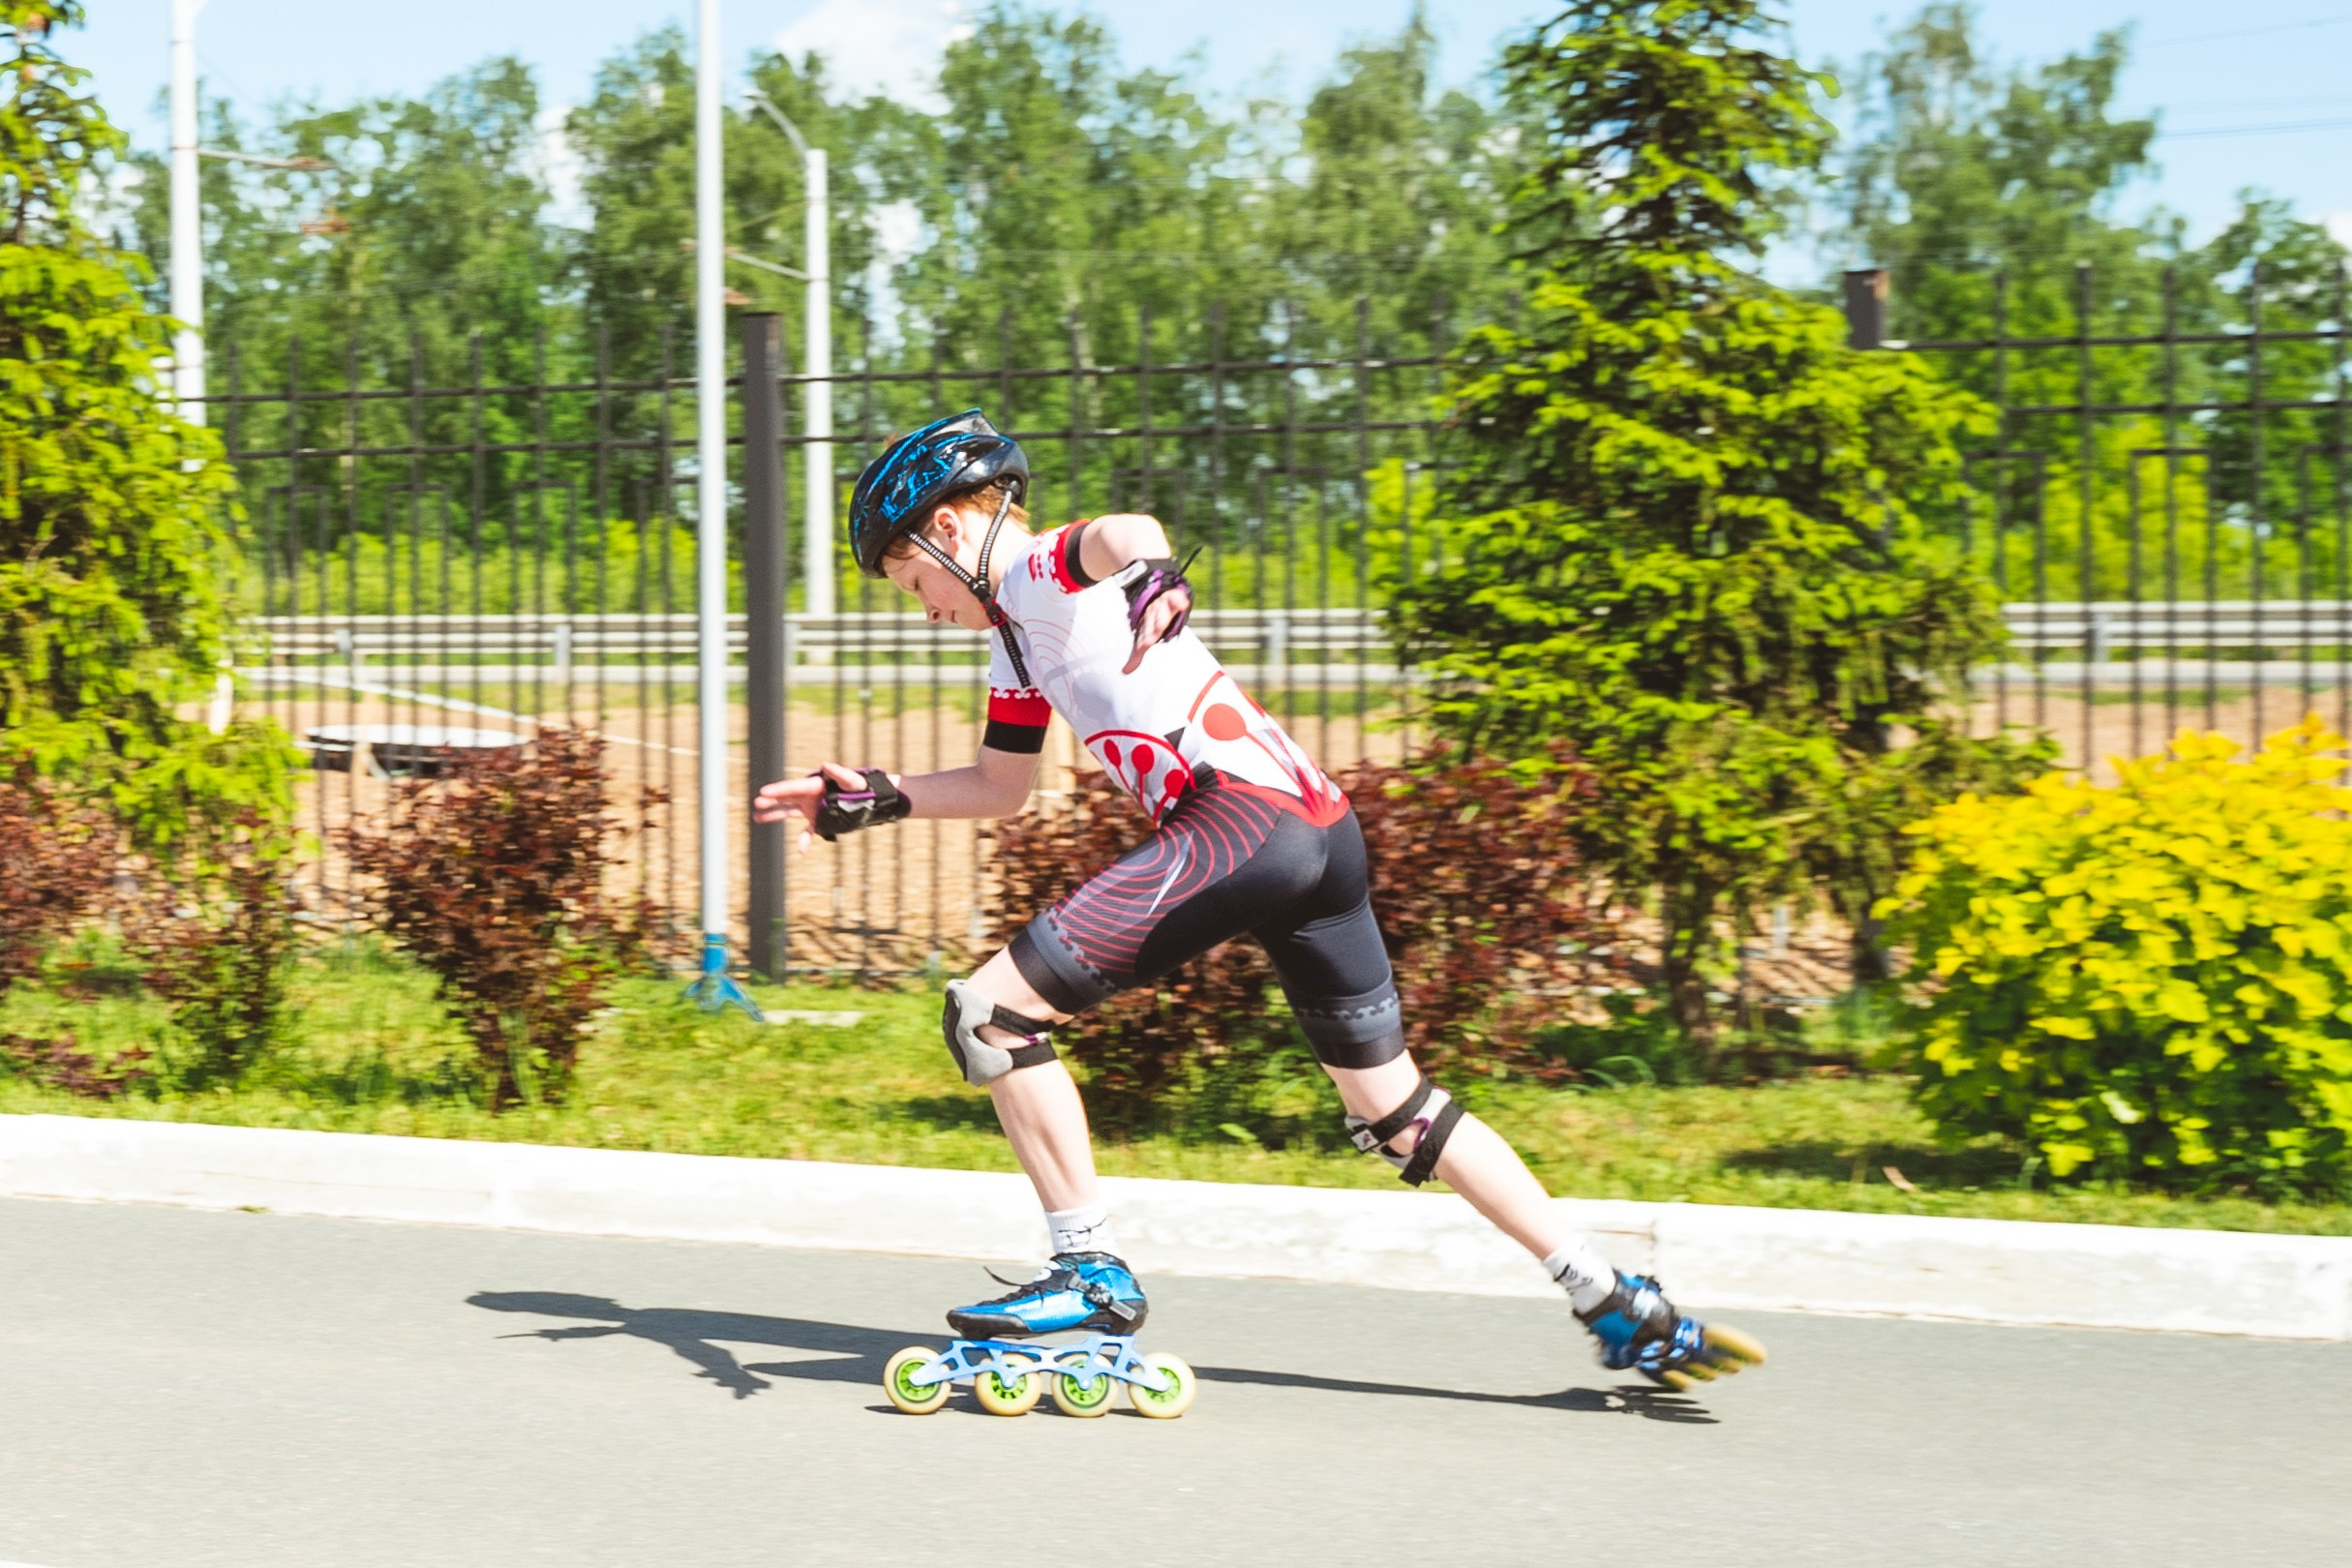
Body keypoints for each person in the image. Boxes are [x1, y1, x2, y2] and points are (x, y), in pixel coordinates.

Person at [753, 409, 1764, 1392]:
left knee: (990, 1014)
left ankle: (1090, 1271)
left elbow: (1117, 535)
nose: (921, 605)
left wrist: (1151, 570)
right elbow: (1001, 786)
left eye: (910, 577)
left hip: (1240, 822)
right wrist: (878, 797)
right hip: (1321, 834)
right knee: (1395, 1107)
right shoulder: (1014, 641)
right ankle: (1611, 1298)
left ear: (951, 529)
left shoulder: (1028, 568)